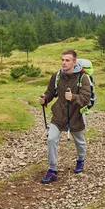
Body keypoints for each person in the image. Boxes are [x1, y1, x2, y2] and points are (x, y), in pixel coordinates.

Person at [38, 49, 91, 184]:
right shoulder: (57, 76)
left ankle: (80, 160)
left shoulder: (83, 78)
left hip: (75, 114)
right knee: (51, 139)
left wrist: (73, 97)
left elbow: (86, 97)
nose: (64, 63)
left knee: (79, 141)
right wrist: (45, 98)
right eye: (62, 60)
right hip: (59, 114)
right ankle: (52, 170)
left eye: (67, 60)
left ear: (74, 62)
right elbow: (51, 92)